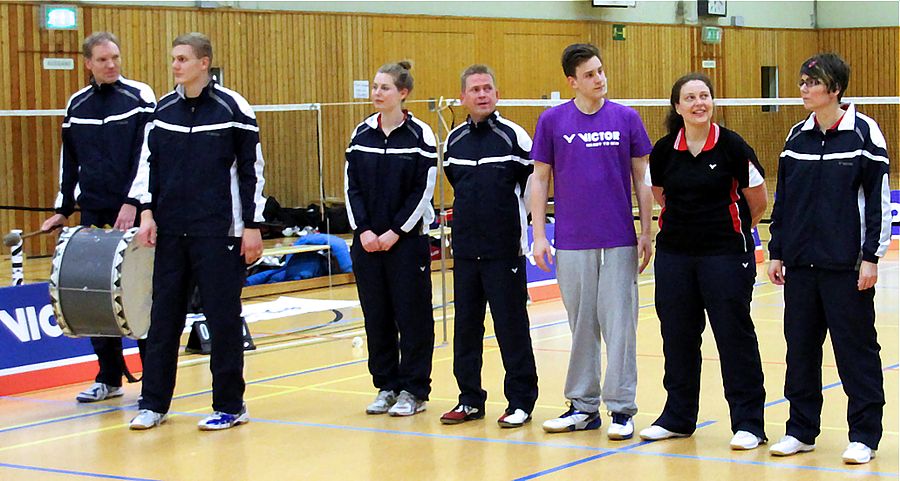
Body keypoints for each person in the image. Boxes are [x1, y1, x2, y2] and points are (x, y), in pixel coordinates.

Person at [126, 32, 266, 431]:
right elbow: (147, 166)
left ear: (204, 63)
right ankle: (153, 403)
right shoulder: (162, 110)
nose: (175, 65)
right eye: (173, 58)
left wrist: (251, 226)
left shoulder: (233, 109)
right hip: (171, 231)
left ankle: (230, 405)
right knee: (163, 318)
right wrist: (147, 213)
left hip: (218, 233)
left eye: (183, 59)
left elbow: (251, 171)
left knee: (223, 320)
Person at [767, 53, 890, 464]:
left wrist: (871, 257)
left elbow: (878, 200)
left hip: (846, 267)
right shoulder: (796, 137)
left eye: (811, 82)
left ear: (834, 89)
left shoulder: (864, 135)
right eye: (802, 81)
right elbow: (783, 200)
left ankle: (865, 436)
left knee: (855, 351)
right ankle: (800, 430)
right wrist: (777, 249)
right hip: (801, 266)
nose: (803, 89)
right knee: (800, 350)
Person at [638, 73, 768, 450]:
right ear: (677, 107)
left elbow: (756, 202)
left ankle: (749, 423)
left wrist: (725, 230)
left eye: (705, 96)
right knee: (677, 337)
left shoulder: (732, 147)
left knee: (734, 337)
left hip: (726, 255)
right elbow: (661, 194)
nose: (699, 103)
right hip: (676, 256)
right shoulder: (663, 151)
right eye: (690, 97)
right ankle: (678, 417)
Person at [530, 43, 653, 440]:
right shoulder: (552, 121)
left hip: (618, 239)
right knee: (581, 323)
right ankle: (582, 406)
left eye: (600, 71)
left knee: (620, 325)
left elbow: (642, 179)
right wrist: (537, 234)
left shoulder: (626, 118)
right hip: (571, 240)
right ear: (572, 81)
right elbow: (540, 179)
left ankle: (621, 408)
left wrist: (646, 230)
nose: (599, 79)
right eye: (589, 74)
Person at [42, 31, 155, 404]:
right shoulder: (77, 105)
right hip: (93, 211)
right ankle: (108, 378)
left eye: (116, 58)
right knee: (96, 294)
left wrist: (133, 201)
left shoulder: (140, 97)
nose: (111, 65)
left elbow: (148, 156)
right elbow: (69, 161)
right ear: (88, 63)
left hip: (134, 211)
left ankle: (154, 383)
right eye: (103, 60)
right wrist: (63, 209)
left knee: (138, 293)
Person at [439, 65, 538, 428]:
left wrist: (523, 227)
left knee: (511, 327)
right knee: (466, 328)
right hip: (465, 251)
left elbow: (534, 187)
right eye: (475, 90)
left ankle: (521, 400)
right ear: (463, 97)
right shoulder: (455, 140)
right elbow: (455, 183)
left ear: (496, 94)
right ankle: (469, 399)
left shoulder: (514, 136)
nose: (482, 94)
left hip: (504, 251)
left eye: (488, 88)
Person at [344, 61, 437, 417]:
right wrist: (364, 230)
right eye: (375, 87)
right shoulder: (361, 134)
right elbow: (351, 187)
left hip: (405, 243)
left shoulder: (421, 136)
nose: (377, 93)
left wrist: (396, 231)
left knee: (412, 316)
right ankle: (386, 385)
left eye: (385, 87)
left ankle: (414, 389)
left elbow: (422, 190)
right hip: (367, 243)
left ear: (403, 93)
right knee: (376, 316)